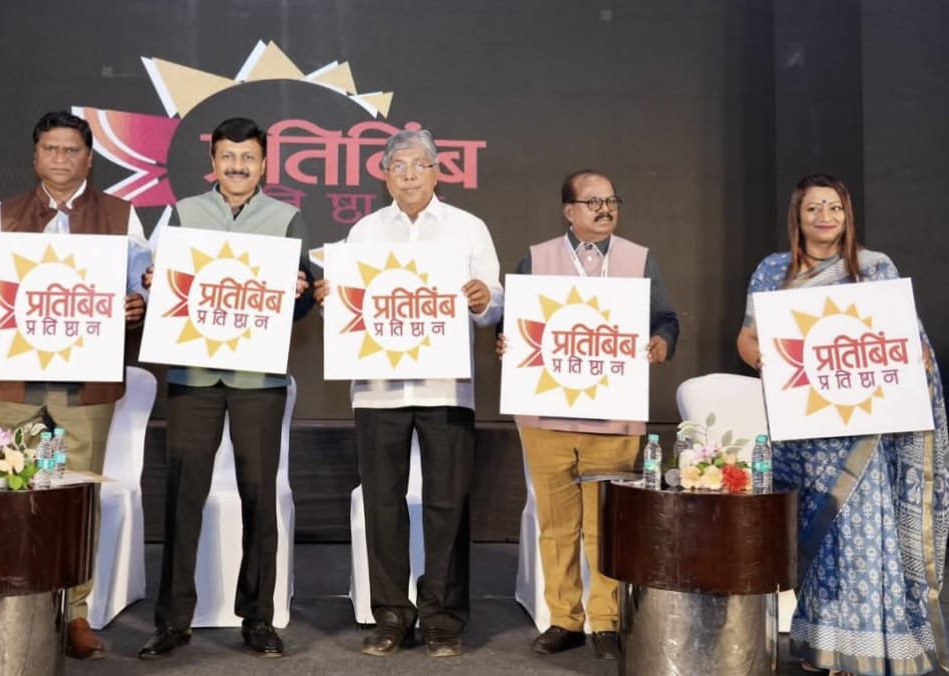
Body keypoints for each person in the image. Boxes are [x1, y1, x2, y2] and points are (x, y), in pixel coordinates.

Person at [0, 110, 151, 660]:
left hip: (87, 378)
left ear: (89, 159)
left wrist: (139, 303)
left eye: (71, 150)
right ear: (36, 156)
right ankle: (20, 605)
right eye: (51, 149)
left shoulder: (120, 214)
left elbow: (141, 284)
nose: (61, 159)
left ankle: (76, 612)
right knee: (14, 491)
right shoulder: (5, 212)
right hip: (16, 375)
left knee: (78, 495)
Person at [736, 174, 948, 676]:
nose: (825, 217)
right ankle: (820, 646)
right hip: (805, 430)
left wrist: (916, 358)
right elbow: (747, 339)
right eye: (813, 208)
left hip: (864, 432)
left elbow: (903, 335)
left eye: (834, 207)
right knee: (817, 536)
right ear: (798, 215)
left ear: (847, 214)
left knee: (861, 536)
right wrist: (765, 360)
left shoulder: (874, 268)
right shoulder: (773, 270)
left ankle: (863, 650)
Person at [313, 128, 503, 658]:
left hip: (447, 386)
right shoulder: (364, 231)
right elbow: (347, 309)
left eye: (419, 165)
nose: (410, 175)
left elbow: (494, 302)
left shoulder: (468, 228)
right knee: (382, 503)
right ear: (385, 176)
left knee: (448, 503)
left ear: (438, 172)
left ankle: (443, 619)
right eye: (399, 166)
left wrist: (484, 298)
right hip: (378, 389)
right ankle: (392, 615)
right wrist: (330, 300)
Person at [138, 117, 313, 660]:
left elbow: (302, 300)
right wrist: (154, 283)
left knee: (260, 495)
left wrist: (300, 292)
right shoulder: (182, 212)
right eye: (228, 157)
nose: (238, 166)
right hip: (193, 375)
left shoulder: (285, 218)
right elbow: (160, 282)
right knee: (182, 496)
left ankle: (258, 619)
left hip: (258, 377)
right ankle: (173, 621)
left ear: (264, 165)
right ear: (213, 162)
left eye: (248, 158)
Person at [497, 169, 679, 660]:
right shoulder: (537, 258)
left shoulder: (639, 258)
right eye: (593, 201)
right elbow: (511, 322)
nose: (605, 209)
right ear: (569, 211)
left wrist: (661, 342)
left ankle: (607, 622)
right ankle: (564, 619)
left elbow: (665, 318)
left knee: (606, 524)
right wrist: (505, 342)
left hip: (614, 415)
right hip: (545, 415)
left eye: (612, 200)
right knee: (557, 525)